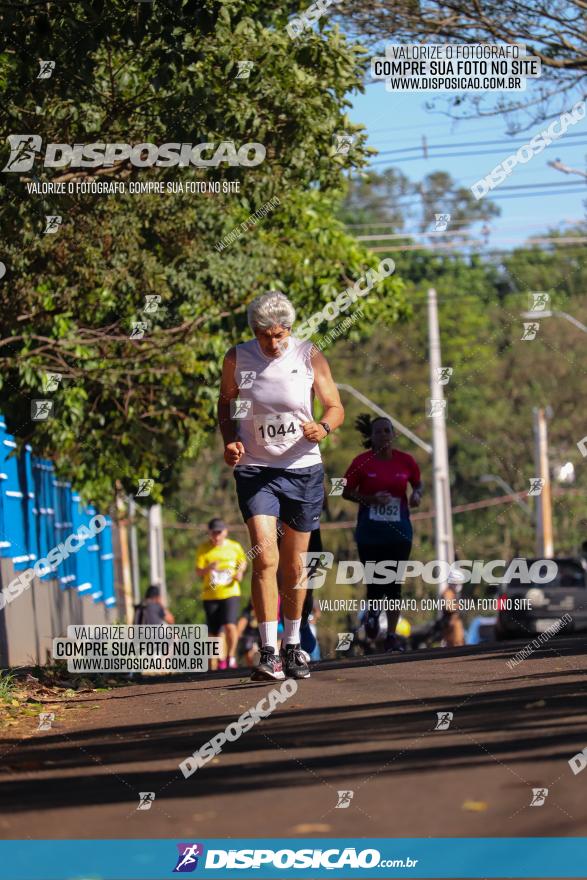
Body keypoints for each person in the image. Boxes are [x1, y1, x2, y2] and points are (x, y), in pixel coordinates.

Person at [218, 290, 344, 681]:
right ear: (254, 331)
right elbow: (227, 404)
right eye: (265, 336)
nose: (273, 343)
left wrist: (322, 426)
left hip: (302, 469)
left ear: (290, 330)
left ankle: (294, 646)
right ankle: (268, 649)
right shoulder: (237, 358)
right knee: (265, 558)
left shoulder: (308, 355)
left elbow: (335, 407)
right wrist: (230, 439)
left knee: (294, 564)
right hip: (256, 470)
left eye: (280, 335)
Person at [342, 414, 423, 652]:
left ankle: (391, 636)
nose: (383, 435)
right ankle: (373, 615)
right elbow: (345, 491)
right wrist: (370, 499)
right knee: (375, 583)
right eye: (378, 432)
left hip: (399, 532)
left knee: (394, 584)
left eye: (387, 431)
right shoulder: (361, 462)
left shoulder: (406, 461)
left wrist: (417, 494)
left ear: (393, 434)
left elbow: (417, 483)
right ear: (372, 437)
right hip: (370, 533)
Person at [195, 517, 247, 670]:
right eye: (213, 533)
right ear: (209, 533)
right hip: (210, 595)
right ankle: (218, 660)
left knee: (230, 625)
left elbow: (242, 562)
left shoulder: (234, 546)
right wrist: (208, 568)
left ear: (225, 532)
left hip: (230, 592)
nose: (216, 536)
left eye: (219, 532)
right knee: (213, 632)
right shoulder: (203, 548)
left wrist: (240, 572)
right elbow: (198, 571)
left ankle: (230, 657)